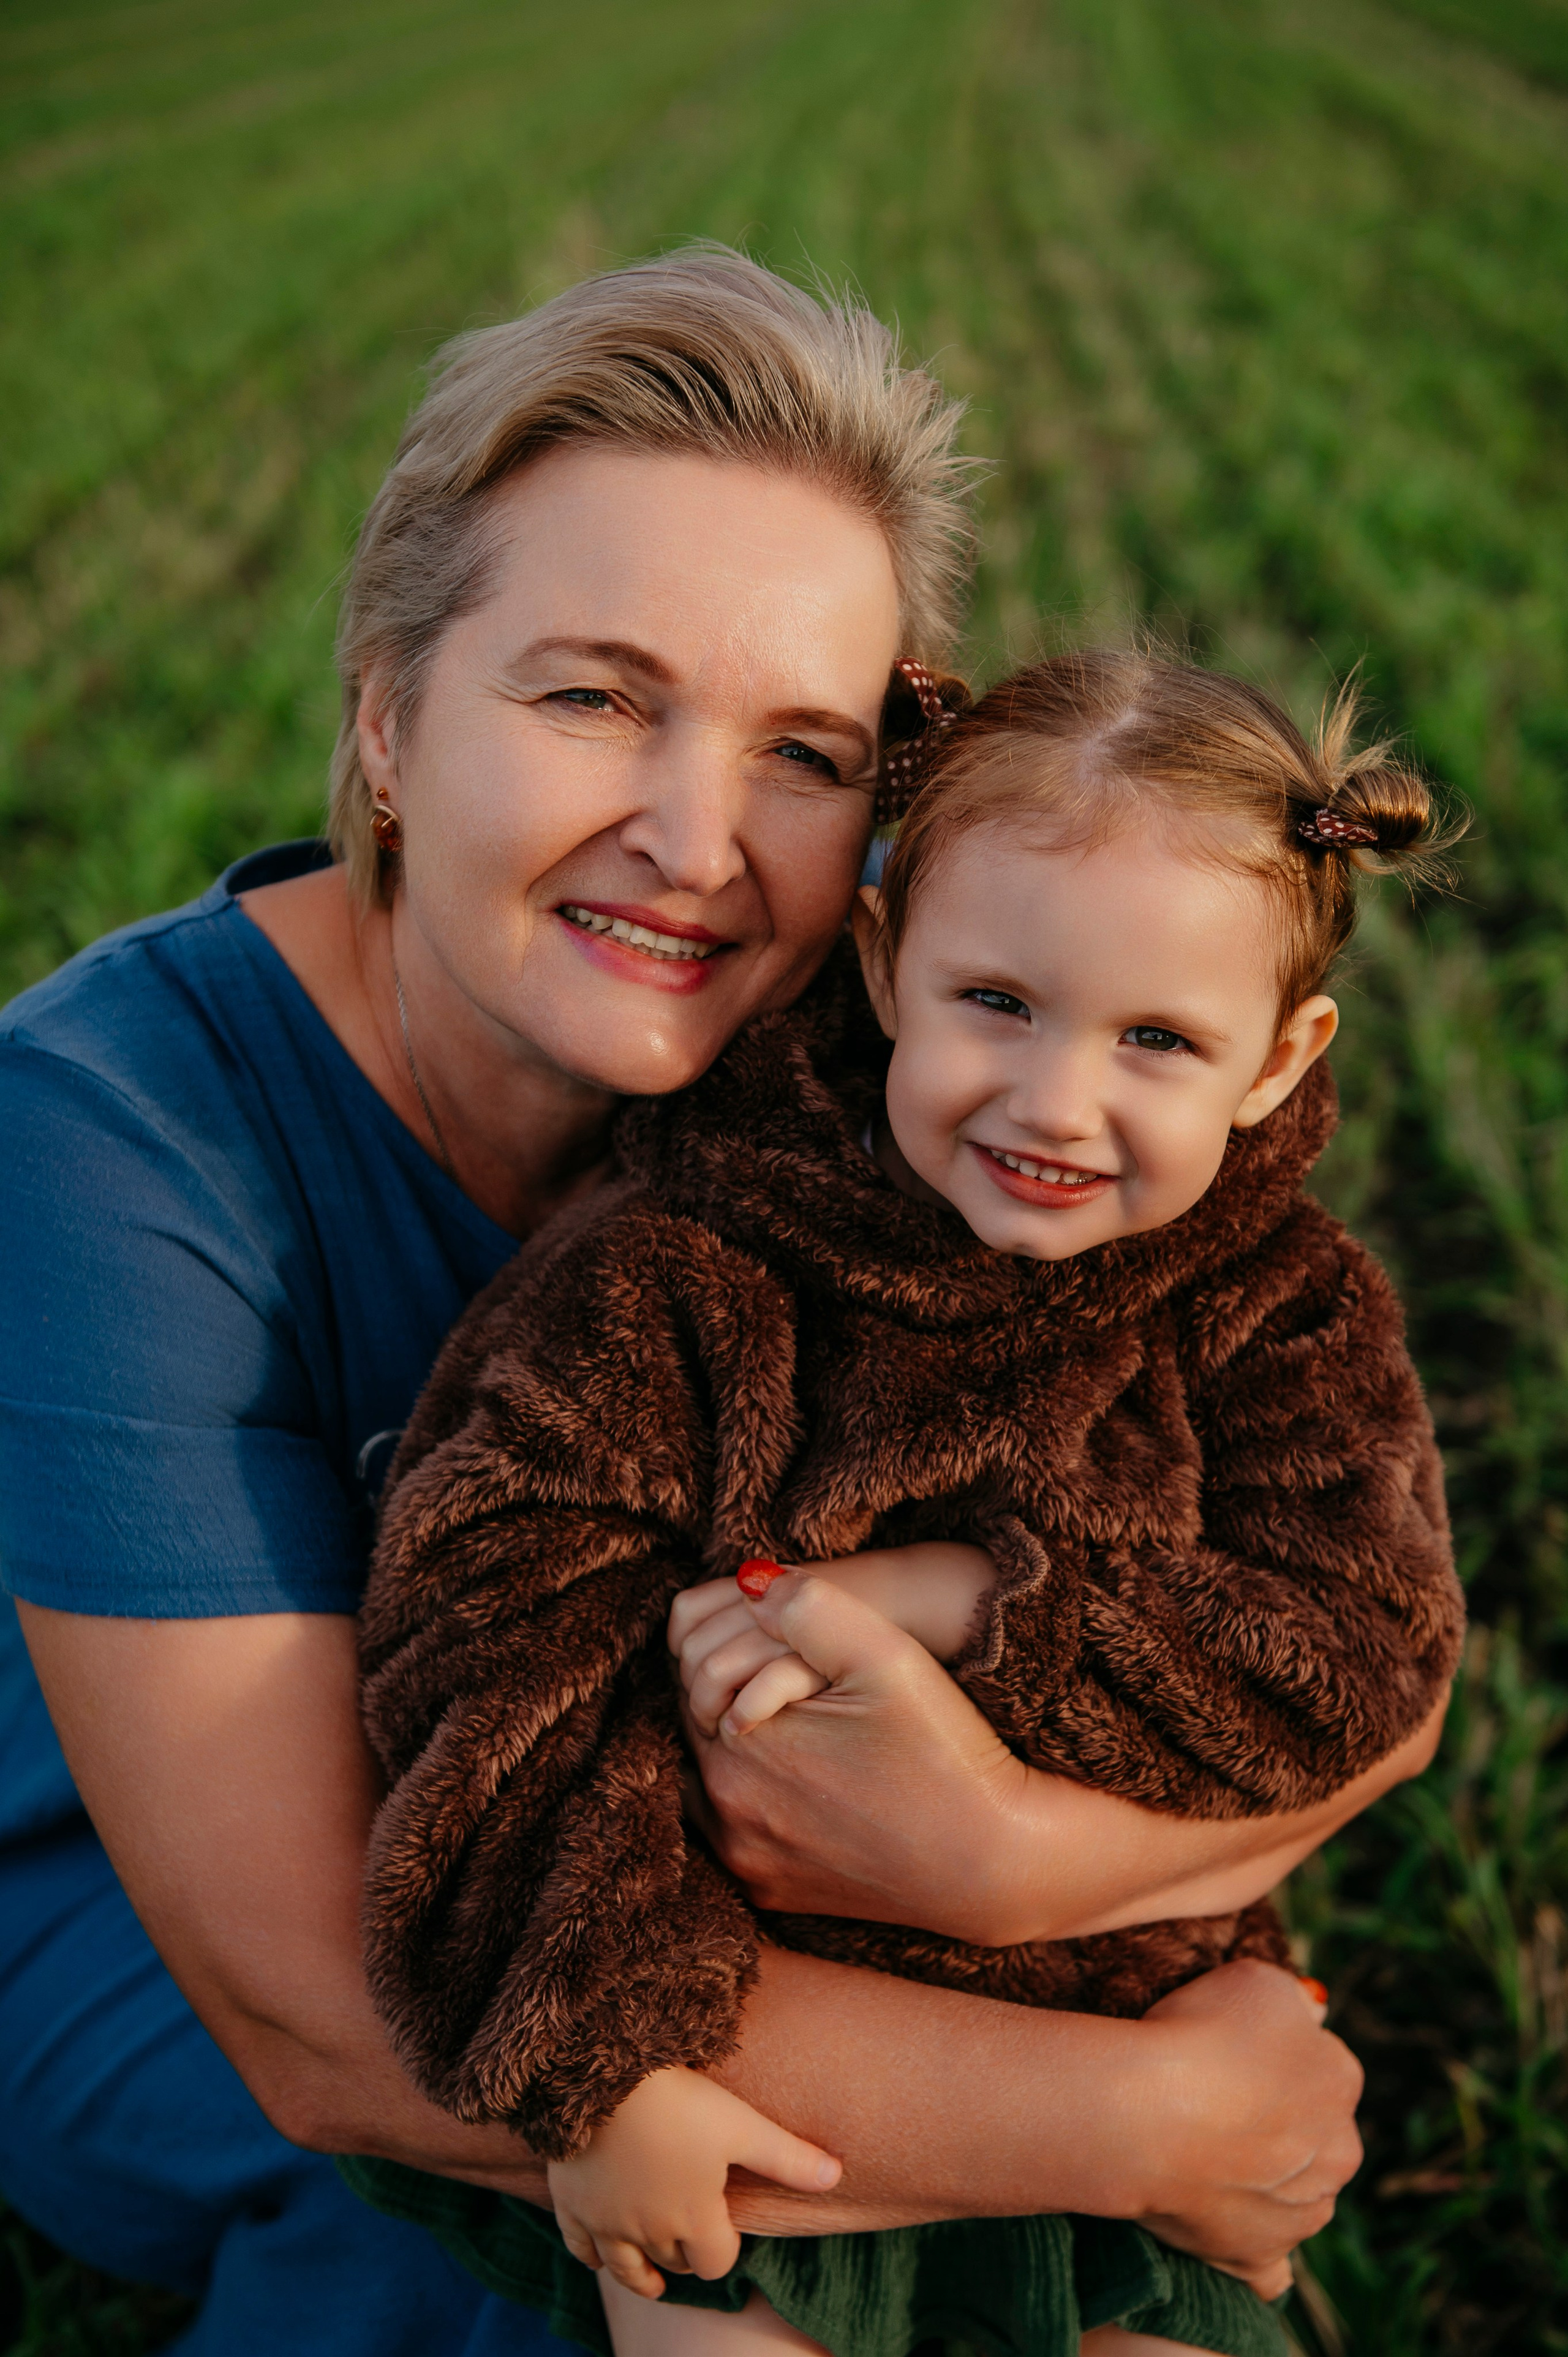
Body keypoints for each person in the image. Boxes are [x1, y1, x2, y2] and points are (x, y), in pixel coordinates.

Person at [1, 249, 1430, 2357]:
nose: (694, 841)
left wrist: (1024, 1875)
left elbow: (1369, 1647)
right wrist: (1140, 2116)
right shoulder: (114, 1139)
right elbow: (317, 2003)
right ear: (389, 722)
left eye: (801, 750)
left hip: (731, 1880)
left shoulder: (941, 1080)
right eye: (592, 697)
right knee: (541, 2286)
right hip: (197, 1928)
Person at [342, 651, 1464, 2357]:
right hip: (753, 2051)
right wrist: (609, 2050)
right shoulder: (682, 1270)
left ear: (1277, 1056)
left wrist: (970, 1606)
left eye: (1159, 1040)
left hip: (1131, 2018)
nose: (1055, 1100)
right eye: (996, 1003)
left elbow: (1359, 1655)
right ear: (884, 965)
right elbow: (491, 1640)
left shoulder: (1279, 1310)